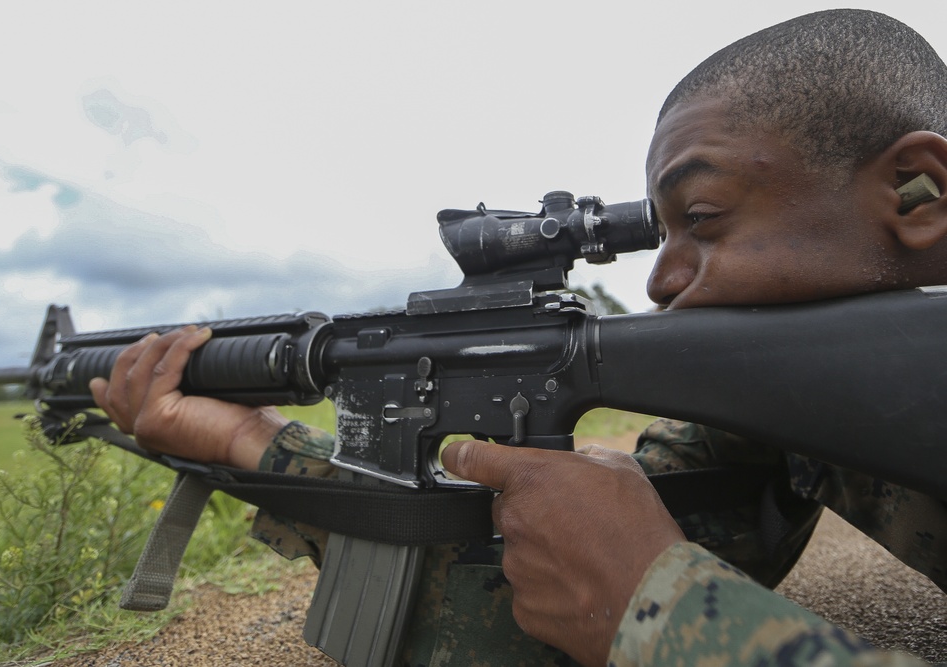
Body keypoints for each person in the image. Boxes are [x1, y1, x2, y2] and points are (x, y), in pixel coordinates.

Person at [89, 9, 947, 667]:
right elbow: (531, 611)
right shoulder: (774, 395)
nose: (659, 280)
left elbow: (635, 600)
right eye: (664, 234)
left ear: (919, 191)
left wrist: (663, 609)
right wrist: (249, 444)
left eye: (705, 218)